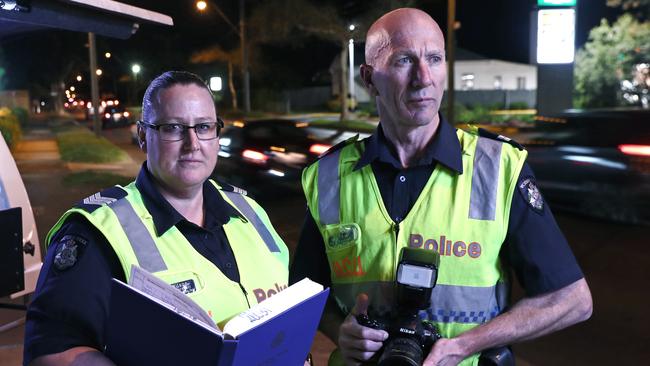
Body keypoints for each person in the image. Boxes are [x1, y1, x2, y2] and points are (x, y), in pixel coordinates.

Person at [290, 8, 592, 366]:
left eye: (434, 59)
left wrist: (466, 344)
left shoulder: (499, 168)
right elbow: (302, 295)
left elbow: (572, 300)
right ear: (369, 79)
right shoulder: (329, 176)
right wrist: (340, 330)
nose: (423, 78)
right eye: (404, 60)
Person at [24, 71, 290, 366]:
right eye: (173, 128)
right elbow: (50, 353)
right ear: (142, 136)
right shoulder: (97, 232)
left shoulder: (250, 211)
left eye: (203, 127)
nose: (192, 144)